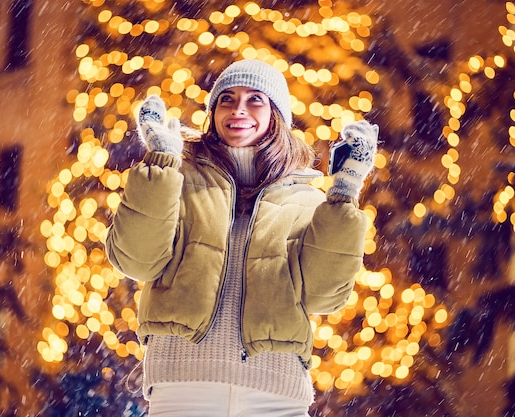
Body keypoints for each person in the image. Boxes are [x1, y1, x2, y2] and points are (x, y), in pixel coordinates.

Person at [105, 59, 378, 417]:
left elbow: (324, 296)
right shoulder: (178, 178)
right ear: (213, 110)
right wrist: (160, 164)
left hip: (275, 397)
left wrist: (345, 192)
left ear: (276, 114)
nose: (238, 110)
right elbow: (136, 260)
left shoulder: (306, 198)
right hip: (183, 387)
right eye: (227, 99)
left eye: (255, 100)